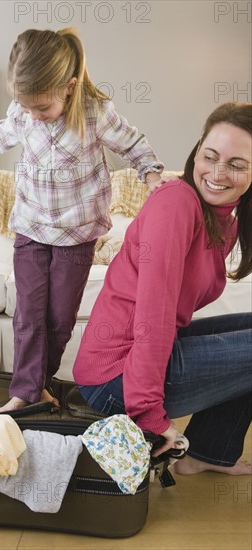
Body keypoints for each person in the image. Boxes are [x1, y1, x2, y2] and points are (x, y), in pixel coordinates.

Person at [0, 27, 164, 412]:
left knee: (59, 320)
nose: (34, 115)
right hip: (30, 230)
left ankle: (40, 386)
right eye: (26, 107)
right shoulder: (23, 113)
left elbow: (135, 145)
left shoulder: (97, 114)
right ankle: (26, 391)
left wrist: (152, 178)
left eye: (41, 108)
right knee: (28, 314)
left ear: (69, 86)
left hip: (77, 236)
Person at [73, 102, 252, 475]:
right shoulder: (175, 204)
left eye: (237, 165)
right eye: (211, 156)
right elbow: (152, 312)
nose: (218, 173)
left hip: (140, 362)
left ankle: (208, 452)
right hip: (115, 378)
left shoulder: (224, 222)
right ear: (197, 150)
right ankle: (198, 448)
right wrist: (149, 413)